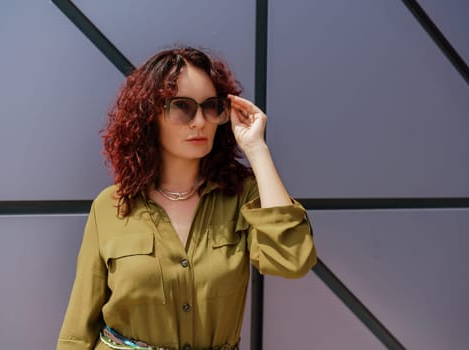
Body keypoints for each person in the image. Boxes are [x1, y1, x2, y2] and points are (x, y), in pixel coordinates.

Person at [57, 46, 317, 350]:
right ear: (149, 115)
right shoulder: (111, 205)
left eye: (211, 107)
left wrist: (257, 149)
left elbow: (292, 259)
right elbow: (79, 326)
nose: (199, 121)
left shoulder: (241, 197)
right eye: (182, 107)